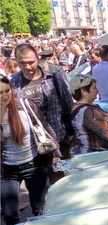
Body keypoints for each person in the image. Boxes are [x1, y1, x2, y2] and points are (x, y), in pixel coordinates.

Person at [1, 75, 60, 225]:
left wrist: (56, 153)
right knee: (10, 213)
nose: (4, 96)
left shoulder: (24, 106)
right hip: (6, 170)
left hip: (33, 163)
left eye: (6, 91)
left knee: (39, 207)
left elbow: (45, 127)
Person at [11, 43, 74, 181]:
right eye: (22, 63)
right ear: (16, 61)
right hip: (32, 147)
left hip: (59, 140)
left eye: (31, 62)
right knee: (39, 190)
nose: (28, 66)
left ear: (38, 59)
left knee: (62, 182)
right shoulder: (13, 83)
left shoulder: (54, 78)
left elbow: (69, 105)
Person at [69, 74, 108, 154]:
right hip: (96, 156)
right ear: (84, 91)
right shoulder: (87, 111)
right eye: (94, 87)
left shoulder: (78, 107)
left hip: (89, 154)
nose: (98, 90)